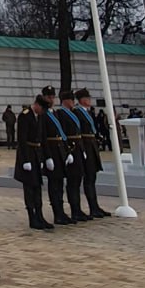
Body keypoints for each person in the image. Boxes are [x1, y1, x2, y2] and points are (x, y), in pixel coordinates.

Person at [15, 95, 53, 231]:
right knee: (29, 188)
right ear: (36, 105)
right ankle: (32, 217)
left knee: (38, 186)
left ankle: (40, 215)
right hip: (28, 154)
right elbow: (21, 139)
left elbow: (43, 138)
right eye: (42, 108)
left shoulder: (40, 116)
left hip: (37, 154)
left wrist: (47, 157)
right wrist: (25, 160)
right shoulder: (25, 116)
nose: (42, 112)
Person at [75, 89, 110, 217]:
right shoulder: (78, 112)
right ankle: (92, 207)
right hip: (86, 145)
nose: (89, 100)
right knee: (88, 178)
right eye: (87, 98)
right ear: (82, 99)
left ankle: (95, 206)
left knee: (92, 177)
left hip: (92, 145)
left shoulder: (87, 112)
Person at [57, 90, 89, 222]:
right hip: (71, 149)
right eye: (70, 100)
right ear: (65, 101)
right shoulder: (61, 114)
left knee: (78, 180)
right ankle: (74, 209)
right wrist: (68, 152)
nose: (72, 102)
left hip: (78, 149)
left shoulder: (72, 113)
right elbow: (63, 133)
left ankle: (77, 208)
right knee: (72, 182)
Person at [41, 93, 72, 225]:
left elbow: (62, 133)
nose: (51, 99)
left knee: (60, 184)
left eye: (53, 97)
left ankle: (61, 211)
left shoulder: (56, 114)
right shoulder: (43, 115)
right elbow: (43, 137)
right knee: (54, 185)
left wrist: (67, 151)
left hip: (59, 152)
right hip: (52, 152)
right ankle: (57, 213)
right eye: (49, 97)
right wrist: (47, 157)